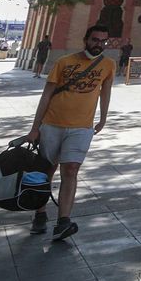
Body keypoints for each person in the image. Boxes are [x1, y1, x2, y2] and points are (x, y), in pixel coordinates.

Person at [25, 24, 114, 241]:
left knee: (71, 169)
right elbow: (46, 96)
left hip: (82, 127)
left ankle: (63, 221)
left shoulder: (108, 65)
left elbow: (105, 93)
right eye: (94, 40)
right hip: (52, 124)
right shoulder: (64, 62)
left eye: (103, 41)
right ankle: (40, 213)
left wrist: (103, 118)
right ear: (85, 39)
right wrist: (35, 128)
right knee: (47, 170)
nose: (98, 44)